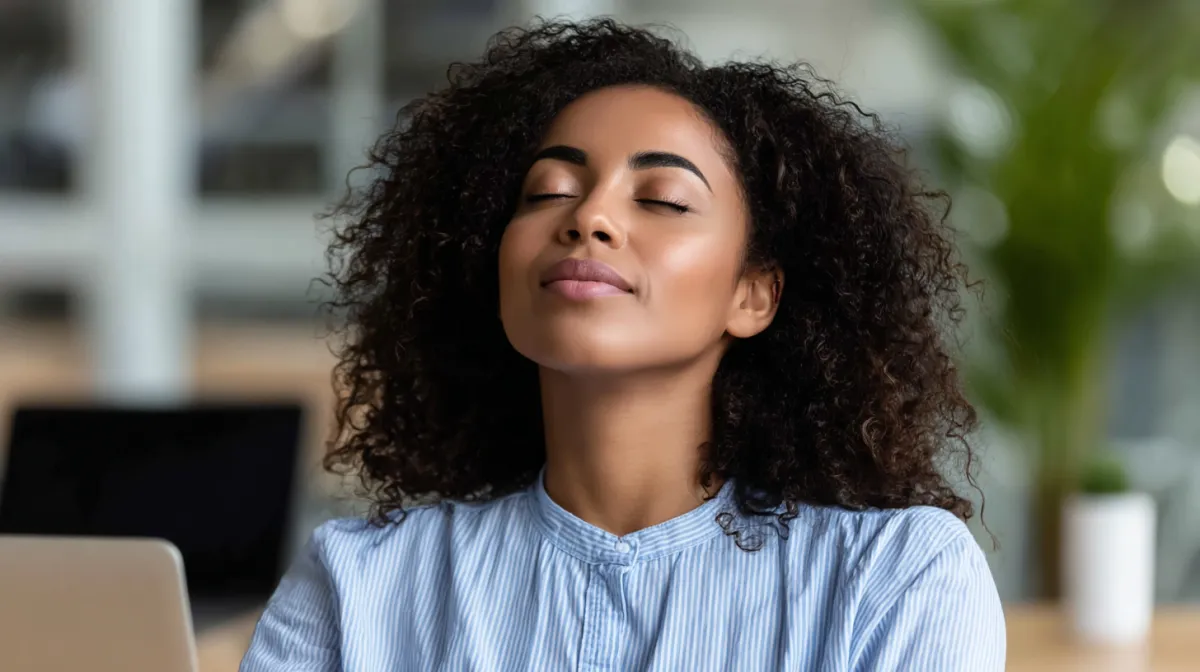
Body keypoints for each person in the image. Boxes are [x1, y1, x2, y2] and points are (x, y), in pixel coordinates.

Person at [240, 18, 1005, 671]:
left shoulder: (895, 575)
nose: (589, 218)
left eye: (663, 200)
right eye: (546, 193)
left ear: (753, 294)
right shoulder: (358, 585)